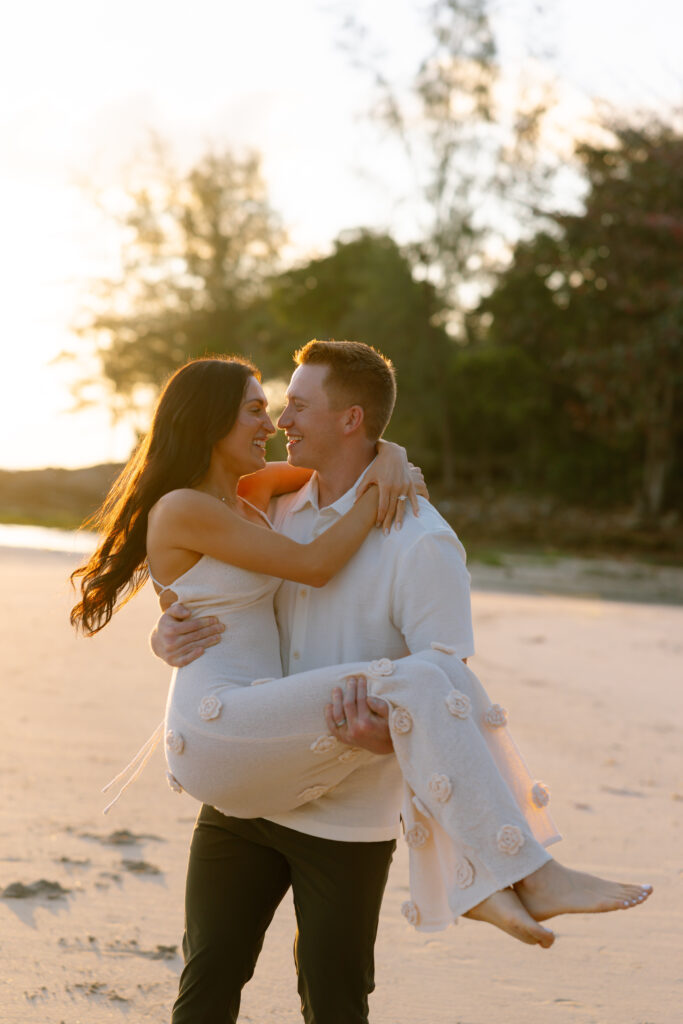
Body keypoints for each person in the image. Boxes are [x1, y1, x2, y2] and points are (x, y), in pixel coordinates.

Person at [74, 344, 651, 1024]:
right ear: (208, 422)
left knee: (335, 997)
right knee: (209, 978)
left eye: (291, 406)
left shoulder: (305, 508)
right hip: (235, 761)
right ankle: (502, 872)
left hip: (342, 805)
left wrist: (390, 457)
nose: (278, 421)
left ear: (349, 420)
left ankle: (497, 873)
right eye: (262, 409)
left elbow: (446, 678)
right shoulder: (266, 506)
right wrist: (161, 632)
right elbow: (292, 567)